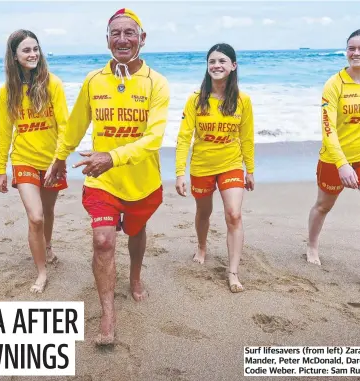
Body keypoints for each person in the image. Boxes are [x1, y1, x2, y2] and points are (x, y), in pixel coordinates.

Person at [46, 8, 170, 345]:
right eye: (116, 33)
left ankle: (135, 277)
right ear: (107, 40)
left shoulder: (156, 83)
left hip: (142, 181)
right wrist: (59, 159)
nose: (123, 39)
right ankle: (108, 318)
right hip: (101, 179)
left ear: (142, 39)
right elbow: (75, 125)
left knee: (136, 230)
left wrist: (113, 157)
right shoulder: (93, 80)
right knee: (103, 240)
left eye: (130, 33)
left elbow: (154, 139)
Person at [306, 28, 360, 294]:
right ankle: (312, 245)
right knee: (323, 206)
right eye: (351, 48)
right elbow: (327, 129)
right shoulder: (334, 84)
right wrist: (342, 164)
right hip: (334, 157)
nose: (355, 53)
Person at [174, 43, 255, 293]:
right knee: (204, 212)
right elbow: (184, 138)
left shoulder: (243, 100)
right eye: (212, 62)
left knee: (234, 214)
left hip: (231, 164)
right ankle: (201, 246)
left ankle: (232, 272)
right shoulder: (196, 100)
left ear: (233, 66)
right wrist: (179, 172)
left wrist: (249, 169)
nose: (216, 66)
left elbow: (247, 137)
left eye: (222, 61)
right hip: (202, 166)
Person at [0, 29, 69, 293]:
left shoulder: (53, 84)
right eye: (26, 50)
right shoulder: (8, 92)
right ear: (14, 56)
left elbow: (64, 125)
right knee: (36, 217)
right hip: (23, 159)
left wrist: (59, 160)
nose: (33, 54)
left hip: (51, 161)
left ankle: (47, 247)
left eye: (36, 49)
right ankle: (41, 272)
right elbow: (4, 132)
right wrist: (1, 169)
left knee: (48, 212)